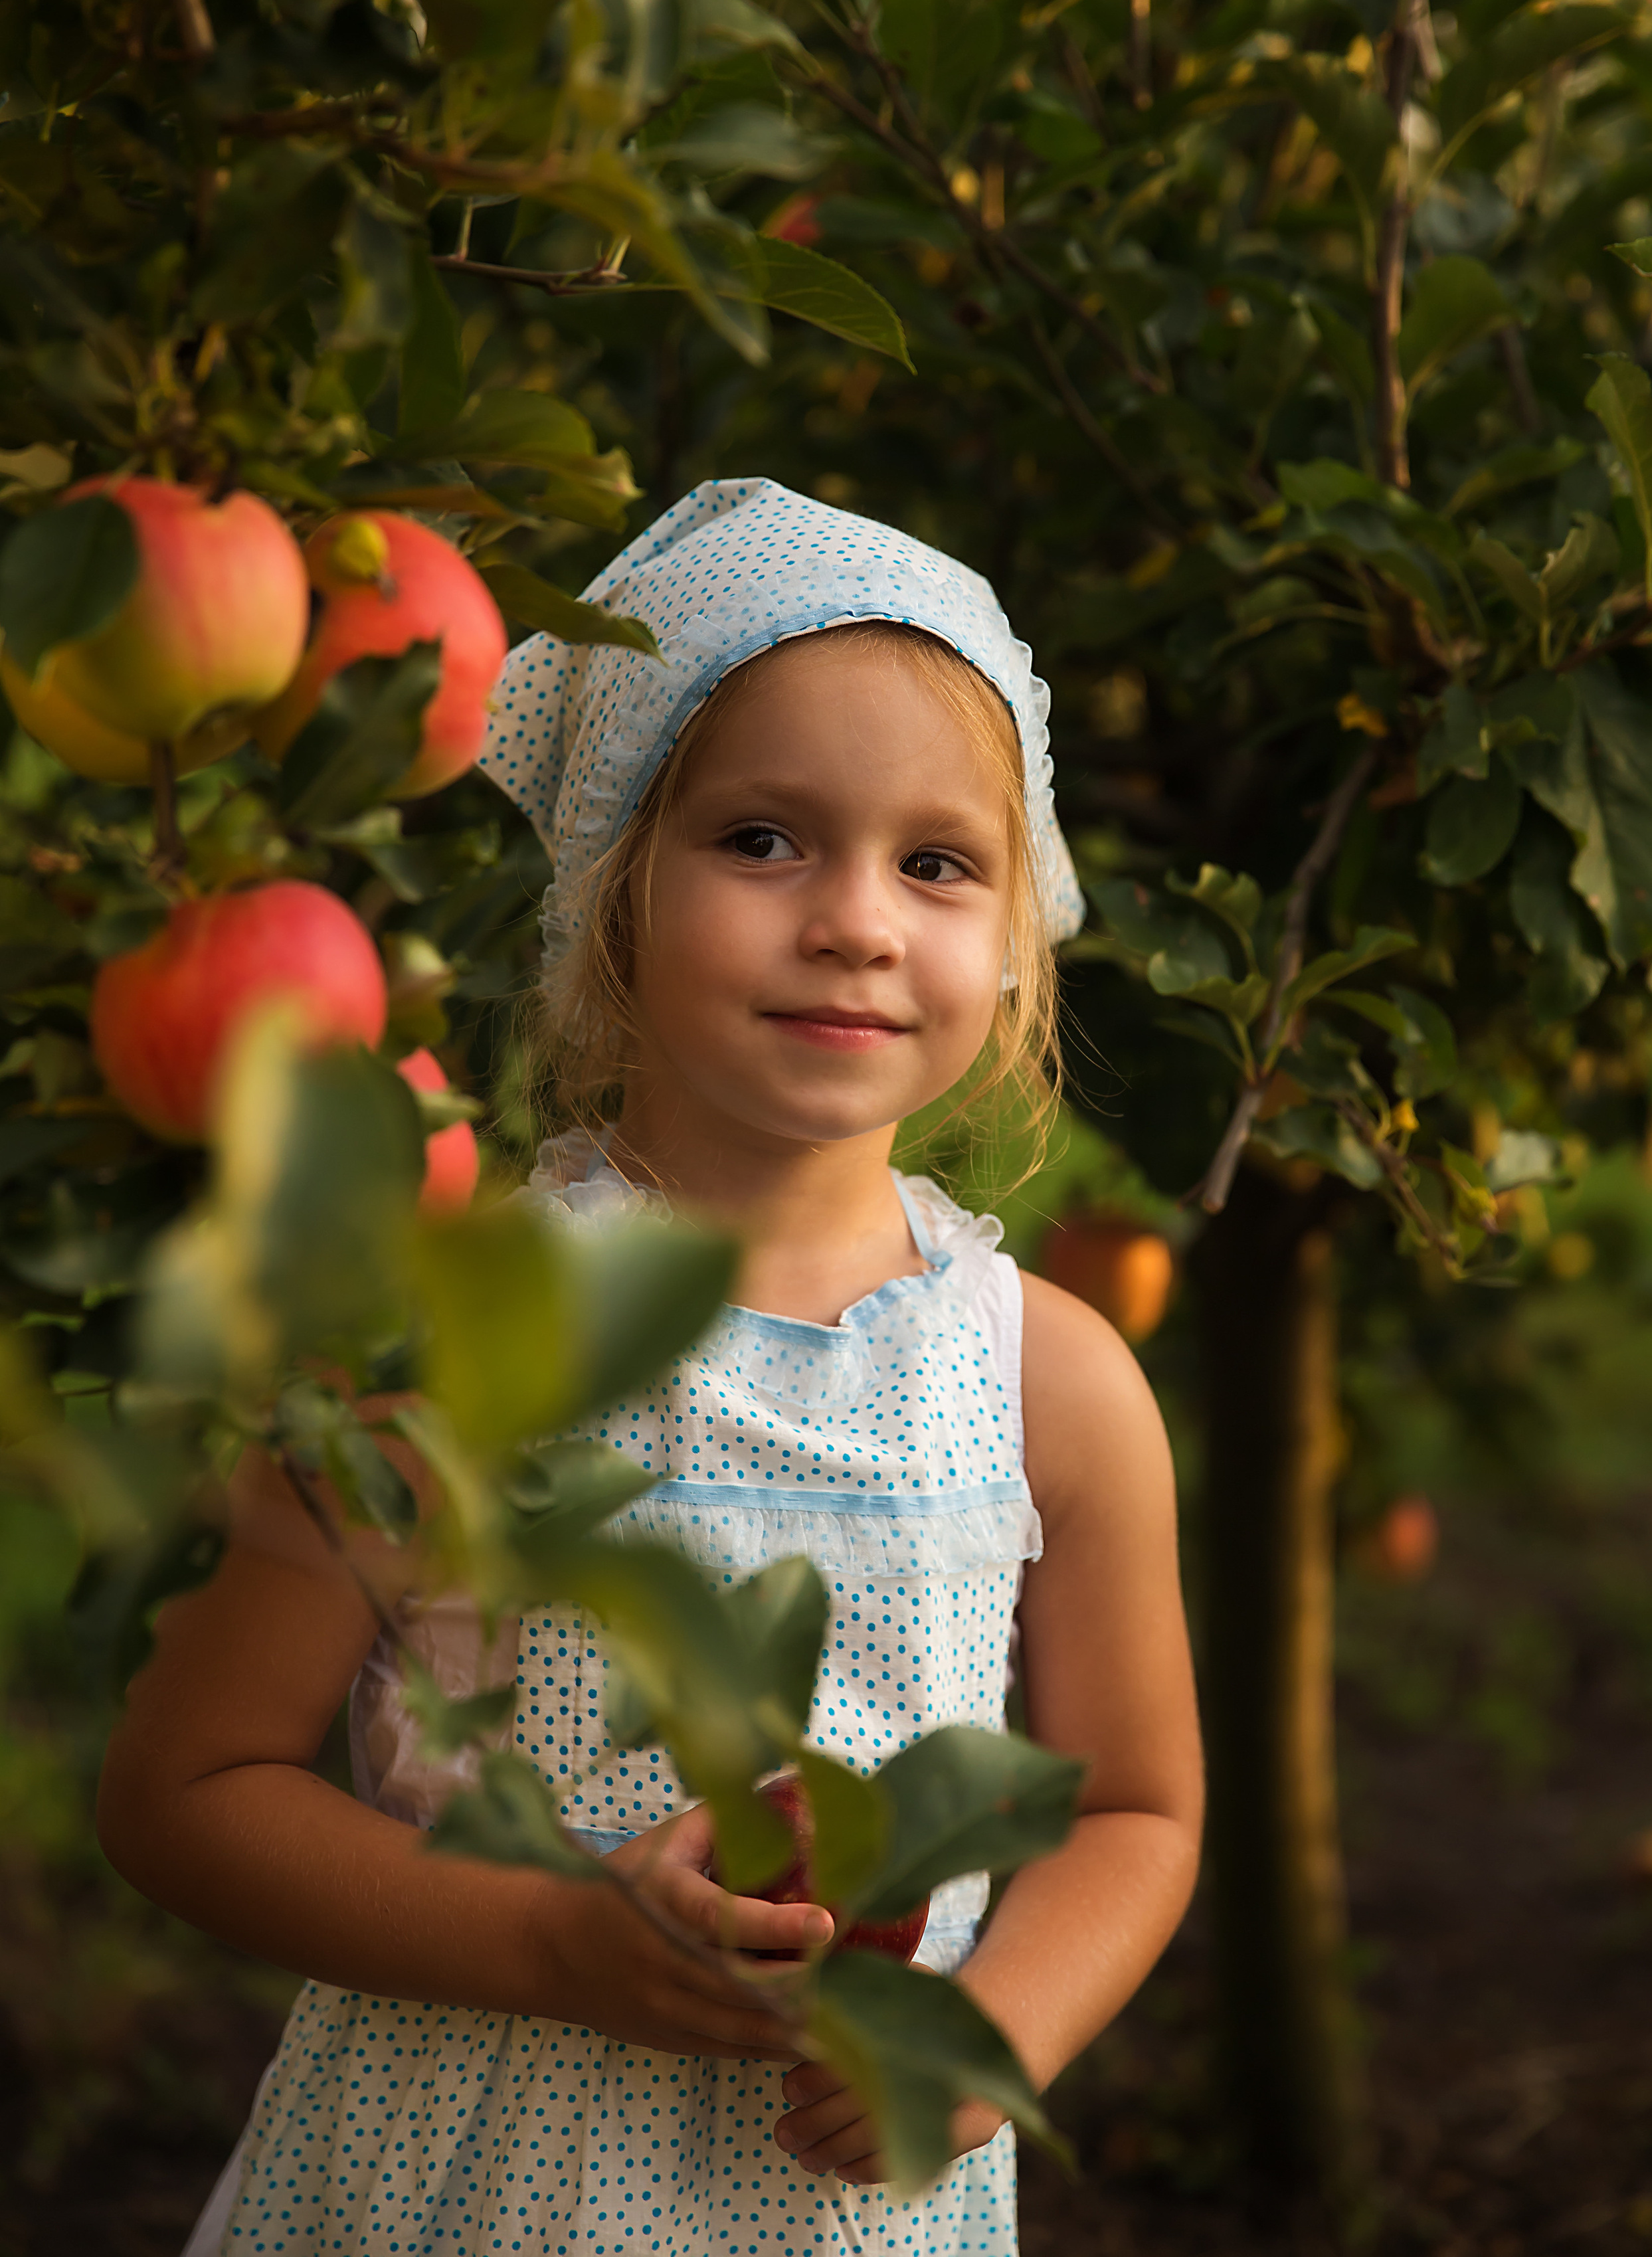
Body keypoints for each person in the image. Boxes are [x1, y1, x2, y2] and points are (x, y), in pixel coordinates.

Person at [100, 478, 1204, 2256]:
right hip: (459, 2190)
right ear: (613, 889)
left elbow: (1139, 1805)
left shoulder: (1050, 1382)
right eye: (764, 840)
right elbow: (186, 1791)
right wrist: (547, 1943)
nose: (854, 917)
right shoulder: (449, 1329)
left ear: (1009, 952)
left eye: (935, 862)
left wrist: (1000, 2026)